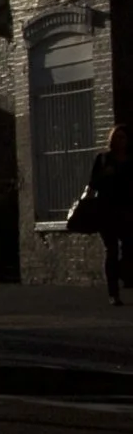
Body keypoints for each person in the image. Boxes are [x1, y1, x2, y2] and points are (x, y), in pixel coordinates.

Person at [88, 126, 133, 305]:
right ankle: (113, 293)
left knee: (130, 246)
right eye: (118, 138)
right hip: (106, 211)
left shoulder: (130, 161)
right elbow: (93, 183)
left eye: (124, 138)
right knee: (111, 250)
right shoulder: (103, 159)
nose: (121, 141)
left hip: (127, 210)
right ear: (112, 140)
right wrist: (104, 176)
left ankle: (122, 272)